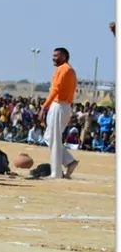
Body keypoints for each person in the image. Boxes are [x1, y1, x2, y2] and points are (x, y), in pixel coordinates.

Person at [41, 48, 80, 179]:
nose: (53, 58)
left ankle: (56, 172)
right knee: (49, 137)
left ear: (63, 57)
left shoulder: (63, 69)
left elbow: (55, 89)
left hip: (59, 105)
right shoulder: (70, 70)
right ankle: (69, 161)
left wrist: (44, 107)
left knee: (54, 139)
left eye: (56, 56)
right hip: (64, 106)